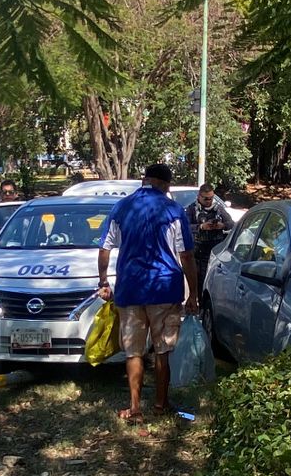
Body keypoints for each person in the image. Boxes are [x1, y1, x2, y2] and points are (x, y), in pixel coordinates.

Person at [97, 163, 199, 421]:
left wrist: (103, 282)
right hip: (165, 288)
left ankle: (134, 408)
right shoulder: (173, 210)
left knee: (133, 351)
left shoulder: (121, 207)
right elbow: (186, 255)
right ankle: (160, 404)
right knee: (162, 351)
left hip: (130, 288)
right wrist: (193, 294)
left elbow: (105, 249)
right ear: (165, 184)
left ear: (144, 180)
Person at [184, 183, 233, 303]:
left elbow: (231, 224)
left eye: (211, 198)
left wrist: (222, 225)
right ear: (199, 197)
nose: (209, 201)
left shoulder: (219, 209)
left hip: (216, 250)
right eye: (206, 199)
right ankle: (200, 305)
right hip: (199, 251)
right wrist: (201, 226)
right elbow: (184, 227)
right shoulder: (191, 209)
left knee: (216, 282)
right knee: (200, 281)